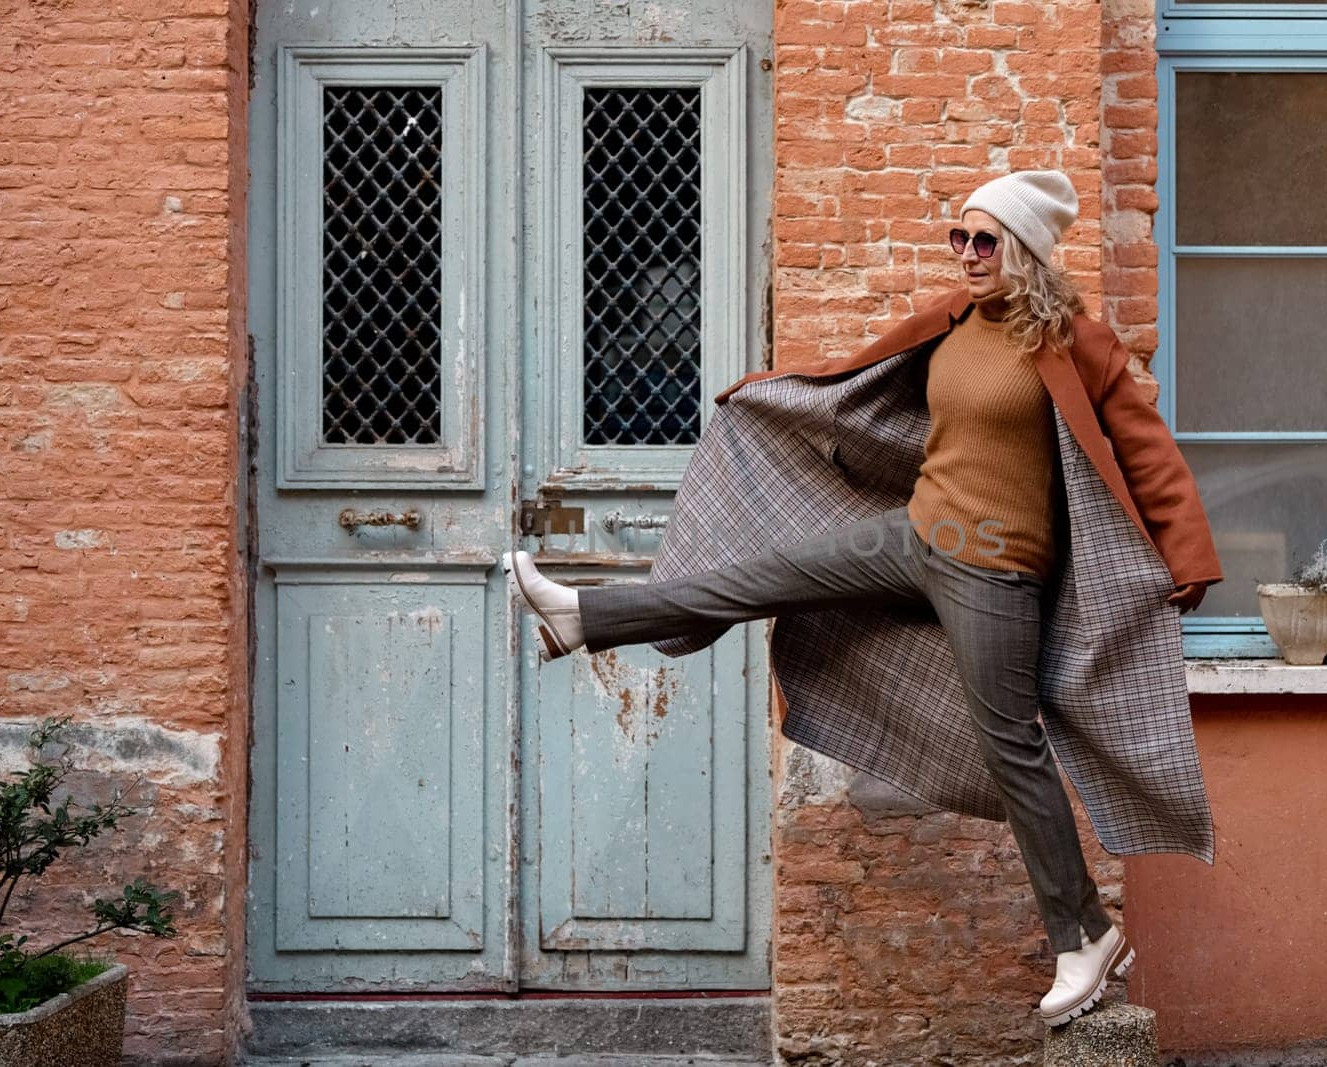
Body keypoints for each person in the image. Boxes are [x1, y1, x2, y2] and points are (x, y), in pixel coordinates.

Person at [506, 170, 1212, 1028]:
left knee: (1011, 747)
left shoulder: (1073, 343)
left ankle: (1084, 934)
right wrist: (773, 399)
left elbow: (1147, 452)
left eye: (984, 241)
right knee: (756, 577)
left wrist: (1186, 559)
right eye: (960, 238)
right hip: (912, 537)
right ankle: (586, 617)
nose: (967, 255)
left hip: (996, 570)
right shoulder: (954, 323)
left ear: (1025, 250)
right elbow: (855, 377)